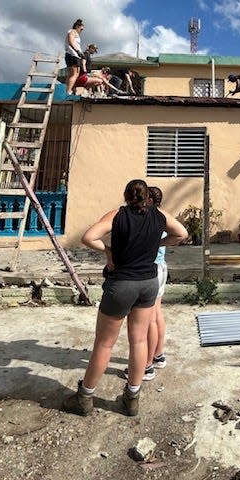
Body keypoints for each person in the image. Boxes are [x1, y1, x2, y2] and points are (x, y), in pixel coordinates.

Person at [62, 179, 188, 417]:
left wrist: (108, 250)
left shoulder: (117, 214)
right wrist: (158, 243)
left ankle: (85, 397)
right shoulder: (159, 215)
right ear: (147, 198)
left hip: (122, 284)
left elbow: (88, 237)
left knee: (104, 343)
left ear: (126, 196)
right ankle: (132, 398)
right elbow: (182, 233)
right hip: (148, 284)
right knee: (139, 341)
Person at [124, 186, 168, 382]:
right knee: (157, 314)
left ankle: (147, 365)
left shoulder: (150, 217)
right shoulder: (163, 217)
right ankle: (158, 354)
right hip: (162, 267)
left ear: (149, 199)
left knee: (148, 319)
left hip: (152, 269)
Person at [64, 19, 85, 95]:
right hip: (73, 55)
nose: (81, 30)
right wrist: (77, 51)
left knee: (71, 74)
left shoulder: (76, 34)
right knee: (74, 74)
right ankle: (68, 91)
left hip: (73, 55)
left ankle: (66, 90)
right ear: (77, 26)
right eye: (81, 29)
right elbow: (71, 41)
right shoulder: (72, 31)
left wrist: (80, 53)